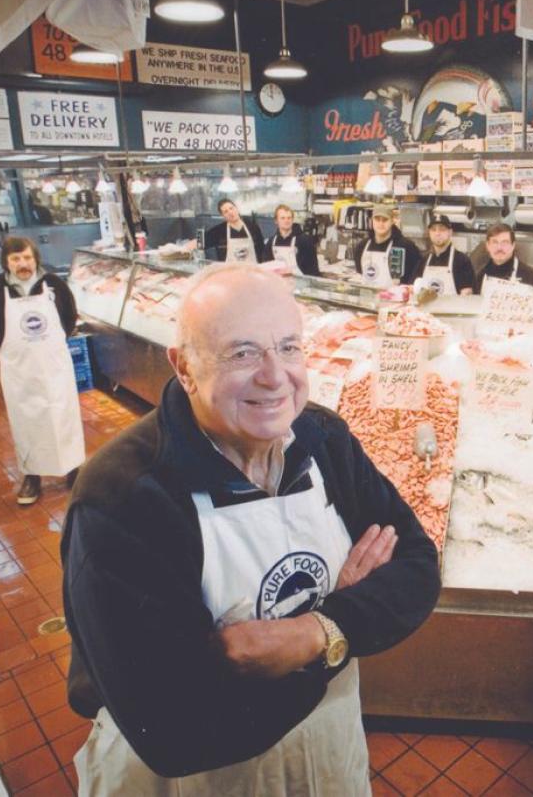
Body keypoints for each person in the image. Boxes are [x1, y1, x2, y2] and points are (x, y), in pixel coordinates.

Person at [63, 265, 440, 793]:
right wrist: (352, 621)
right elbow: (175, 730)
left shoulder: (323, 438)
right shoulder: (123, 498)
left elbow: (418, 566)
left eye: (288, 347)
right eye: (242, 353)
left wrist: (317, 633)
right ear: (184, 367)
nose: (274, 376)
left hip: (326, 753)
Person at [0, 236, 85, 506]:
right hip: (18, 371)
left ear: (35, 258)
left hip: (54, 367)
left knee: (64, 416)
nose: (22, 264)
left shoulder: (55, 285)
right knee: (25, 421)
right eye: (15, 259)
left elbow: (69, 317)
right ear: (6, 263)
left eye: (26, 257)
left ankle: (73, 470)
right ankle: (31, 476)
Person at [351, 204, 419, 287]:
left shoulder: (406, 246)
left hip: (394, 298)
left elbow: (415, 277)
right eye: (377, 219)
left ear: (392, 221)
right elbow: (359, 273)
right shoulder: (362, 246)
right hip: (367, 297)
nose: (381, 223)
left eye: (385, 220)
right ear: (371, 221)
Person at [473, 223, 533, 293]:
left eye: (505, 243)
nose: (499, 248)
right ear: (488, 246)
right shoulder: (479, 277)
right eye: (495, 242)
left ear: (513, 246)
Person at [417, 214, 475, 296]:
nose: (437, 233)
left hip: (453, 308)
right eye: (433, 230)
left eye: (442, 229)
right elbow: (415, 289)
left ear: (450, 232)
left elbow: (467, 294)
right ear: (429, 233)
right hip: (428, 308)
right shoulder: (424, 260)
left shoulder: (462, 261)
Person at [203, 198, 269, 264]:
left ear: (236, 208)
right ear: (223, 216)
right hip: (231, 272)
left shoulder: (253, 227)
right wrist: (194, 244)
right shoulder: (220, 231)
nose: (230, 212)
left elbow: (263, 250)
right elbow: (202, 241)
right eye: (226, 211)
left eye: (231, 208)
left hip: (251, 270)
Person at [267, 204, 320, 276]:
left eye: (289, 218)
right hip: (280, 283)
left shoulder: (305, 241)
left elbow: (313, 270)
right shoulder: (271, 242)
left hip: (301, 284)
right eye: (283, 218)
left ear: (292, 220)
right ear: (276, 221)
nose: (286, 221)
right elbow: (267, 268)